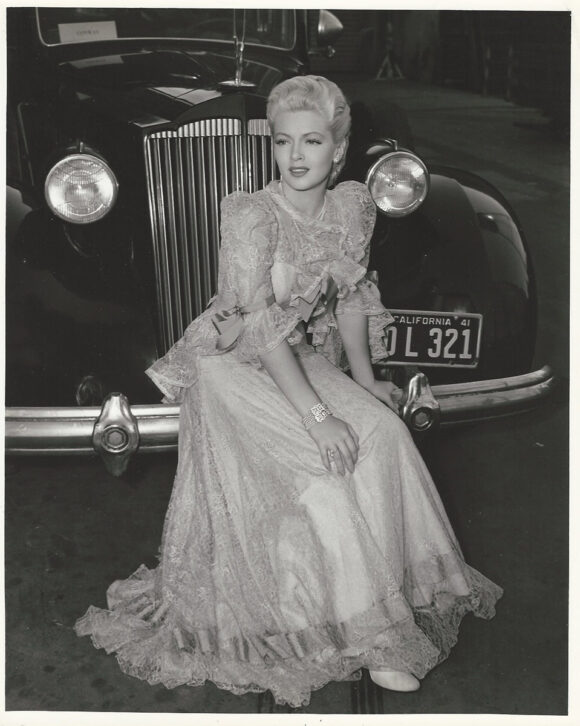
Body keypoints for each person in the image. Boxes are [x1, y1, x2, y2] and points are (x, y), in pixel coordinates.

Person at [75, 75, 502, 708]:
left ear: (340, 147)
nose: (296, 155)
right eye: (282, 142)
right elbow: (261, 328)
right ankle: (375, 639)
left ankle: (387, 595)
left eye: (311, 141)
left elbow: (353, 297)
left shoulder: (352, 205)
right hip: (231, 366)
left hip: (297, 356)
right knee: (323, 468)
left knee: (384, 435)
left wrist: (364, 383)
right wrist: (322, 414)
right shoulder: (251, 216)